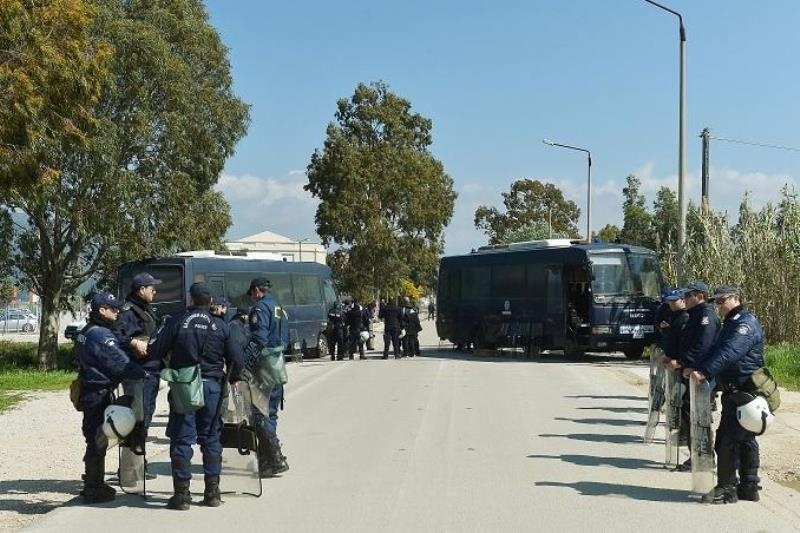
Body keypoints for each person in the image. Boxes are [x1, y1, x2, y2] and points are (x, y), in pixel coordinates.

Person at [148, 284, 243, 510]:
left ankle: (181, 495)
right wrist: (230, 380)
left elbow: (155, 350)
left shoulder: (176, 321)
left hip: (184, 386)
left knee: (182, 438)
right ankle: (212, 492)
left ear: (191, 299)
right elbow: (237, 359)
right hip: (212, 387)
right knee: (211, 438)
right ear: (210, 301)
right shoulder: (221, 325)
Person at [689, 285, 765, 504]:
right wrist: (696, 366)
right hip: (735, 390)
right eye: (717, 302)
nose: (719, 306)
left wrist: (704, 371)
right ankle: (749, 486)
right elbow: (715, 350)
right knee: (744, 438)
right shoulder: (732, 323)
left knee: (727, 440)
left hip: (744, 390)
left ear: (735, 298)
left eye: (722, 301)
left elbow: (729, 353)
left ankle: (727, 488)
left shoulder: (744, 324)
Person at [75, 292, 147, 503]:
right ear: (101, 310)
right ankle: (93, 487)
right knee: (98, 439)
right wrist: (142, 373)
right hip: (98, 392)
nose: (117, 312)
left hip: (89, 389)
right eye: (112, 308)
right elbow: (120, 363)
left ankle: (93, 481)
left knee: (94, 438)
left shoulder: (86, 330)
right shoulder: (102, 336)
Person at [112, 272, 163, 479]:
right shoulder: (127, 312)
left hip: (151, 372)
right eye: (152, 287)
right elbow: (115, 336)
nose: (155, 291)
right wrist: (133, 343)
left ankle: (136, 464)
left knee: (145, 418)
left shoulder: (146, 310)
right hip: (138, 374)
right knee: (135, 419)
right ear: (141, 289)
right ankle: (129, 468)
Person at [671, 281, 720, 471]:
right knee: (692, 416)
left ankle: (704, 458)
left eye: (688, 296)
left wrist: (685, 364)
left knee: (701, 417)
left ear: (700, 296)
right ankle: (697, 456)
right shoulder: (694, 315)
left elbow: (703, 346)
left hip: (702, 376)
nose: (684, 299)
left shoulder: (705, 316)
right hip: (691, 374)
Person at [247, 277, 290, 477]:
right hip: (278, 364)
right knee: (270, 413)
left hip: (263, 367)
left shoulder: (260, 308)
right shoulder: (279, 307)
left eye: (252, 294)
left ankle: (273, 458)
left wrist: (245, 363)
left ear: (257, 290)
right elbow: (286, 338)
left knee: (259, 413)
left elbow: (259, 339)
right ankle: (268, 459)